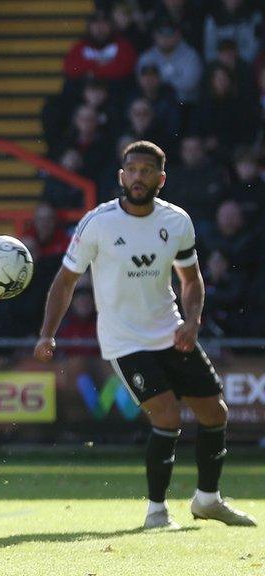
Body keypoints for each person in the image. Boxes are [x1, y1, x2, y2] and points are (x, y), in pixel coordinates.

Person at [34, 140, 257, 530]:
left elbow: (191, 280)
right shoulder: (97, 223)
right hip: (125, 341)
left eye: (147, 171)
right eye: (132, 170)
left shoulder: (177, 222)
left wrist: (191, 322)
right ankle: (156, 511)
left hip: (170, 331)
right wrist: (47, 333)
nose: (138, 177)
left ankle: (208, 500)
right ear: (121, 176)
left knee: (214, 412)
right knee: (167, 415)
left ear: (161, 178)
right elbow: (65, 281)